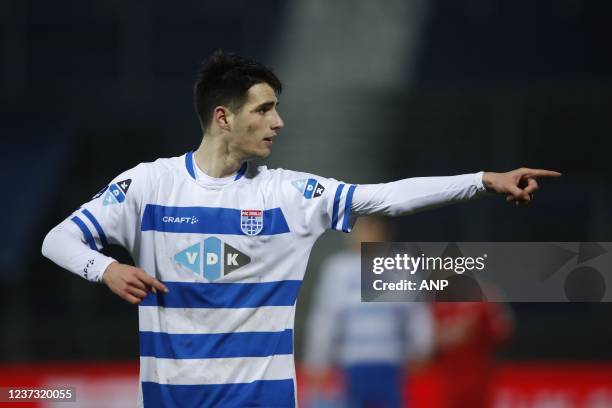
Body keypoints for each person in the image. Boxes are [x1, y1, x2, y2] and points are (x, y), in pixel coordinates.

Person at [41, 50, 560, 408]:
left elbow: (381, 196)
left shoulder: (287, 194)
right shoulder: (148, 186)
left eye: (278, 109)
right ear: (223, 117)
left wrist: (482, 180)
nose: (278, 122)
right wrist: (105, 268)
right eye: (265, 109)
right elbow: (58, 239)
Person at [303, 216, 433, 408]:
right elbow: (324, 318)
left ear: (384, 231)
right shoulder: (338, 269)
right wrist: (317, 361)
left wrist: (422, 347)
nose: (367, 234)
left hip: (390, 363)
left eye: (372, 228)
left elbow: (417, 313)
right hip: (351, 364)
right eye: (361, 229)